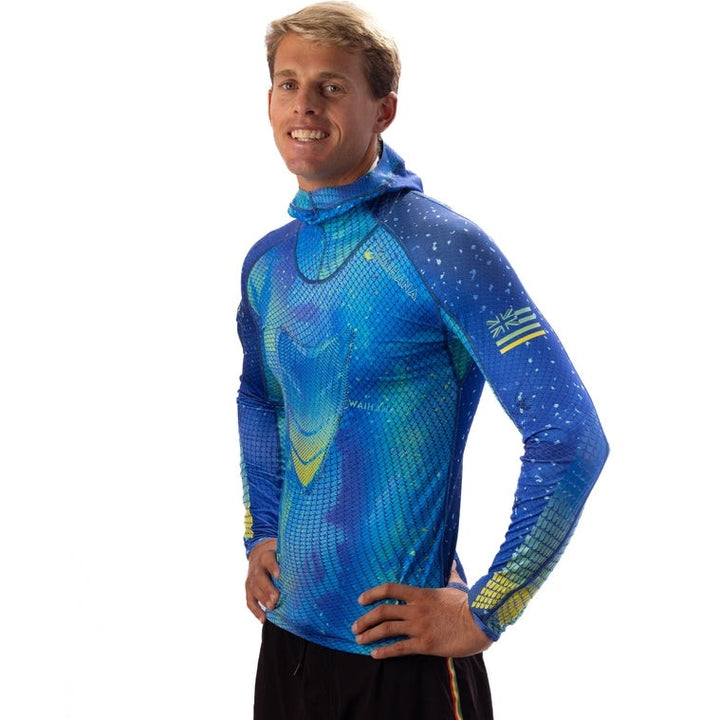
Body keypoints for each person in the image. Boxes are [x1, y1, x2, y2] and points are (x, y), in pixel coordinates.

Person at [236, 3, 609, 718]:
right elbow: (261, 397)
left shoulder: (441, 247)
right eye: (288, 83)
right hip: (287, 645)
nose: (304, 104)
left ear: (384, 110)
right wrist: (263, 533)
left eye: (332, 86)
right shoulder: (267, 264)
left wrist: (489, 609)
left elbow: (570, 435)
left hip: (403, 661)